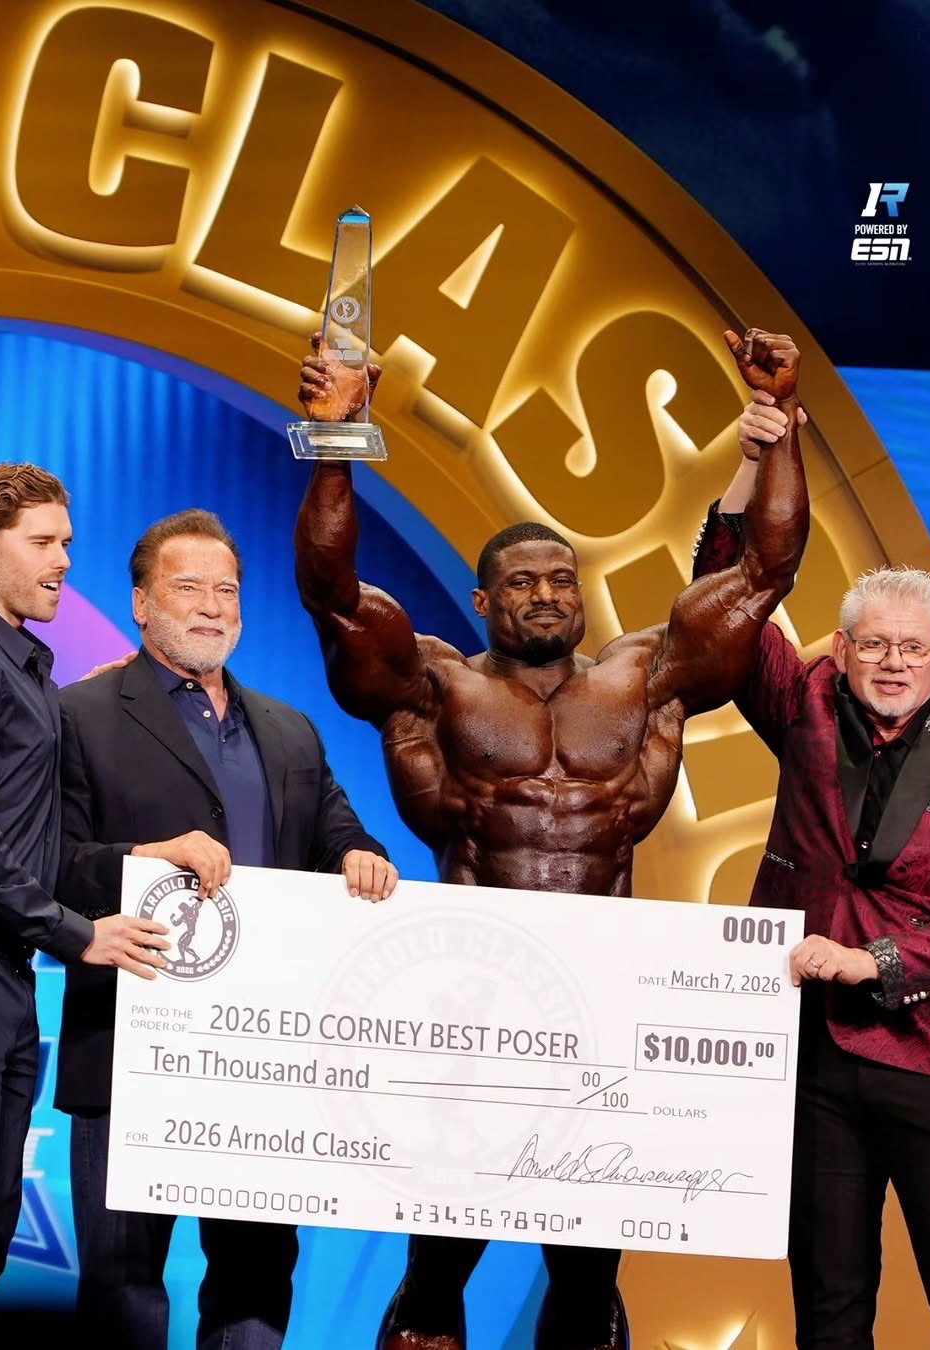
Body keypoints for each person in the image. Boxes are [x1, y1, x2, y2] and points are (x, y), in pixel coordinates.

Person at [292, 327, 810, 1350]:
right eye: (523, 583)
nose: (546, 596)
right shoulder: (434, 685)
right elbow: (333, 592)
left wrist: (781, 423)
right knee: (439, 1270)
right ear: (485, 602)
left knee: (585, 1272)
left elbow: (767, 570)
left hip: (602, 1015)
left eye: (561, 580)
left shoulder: (643, 680)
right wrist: (338, 434)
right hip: (469, 1012)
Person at [692, 391, 930, 1350]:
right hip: (813, 1064)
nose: (890, 662)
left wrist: (869, 961)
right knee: (829, 1306)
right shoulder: (803, 706)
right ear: (843, 649)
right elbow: (724, 602)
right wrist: (751, 464)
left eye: (910, 648)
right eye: (872, 644)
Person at [53, 507, 398, 1350]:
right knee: (122, 1283)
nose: (212, 606)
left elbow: (339, 833)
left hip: (261, 1056)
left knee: (253, 1279)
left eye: (227, 590)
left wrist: (363, 858)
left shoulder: (289, 729)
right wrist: (144, 856)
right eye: (187, 587)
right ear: (140, 603)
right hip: (130, 1044)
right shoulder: (78, 713)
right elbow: (44, 864)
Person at [0, 463, 170, 1344]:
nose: (63, 561)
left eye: (67, 543)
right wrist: (76, 934)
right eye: (42, 542)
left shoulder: (18, 662)